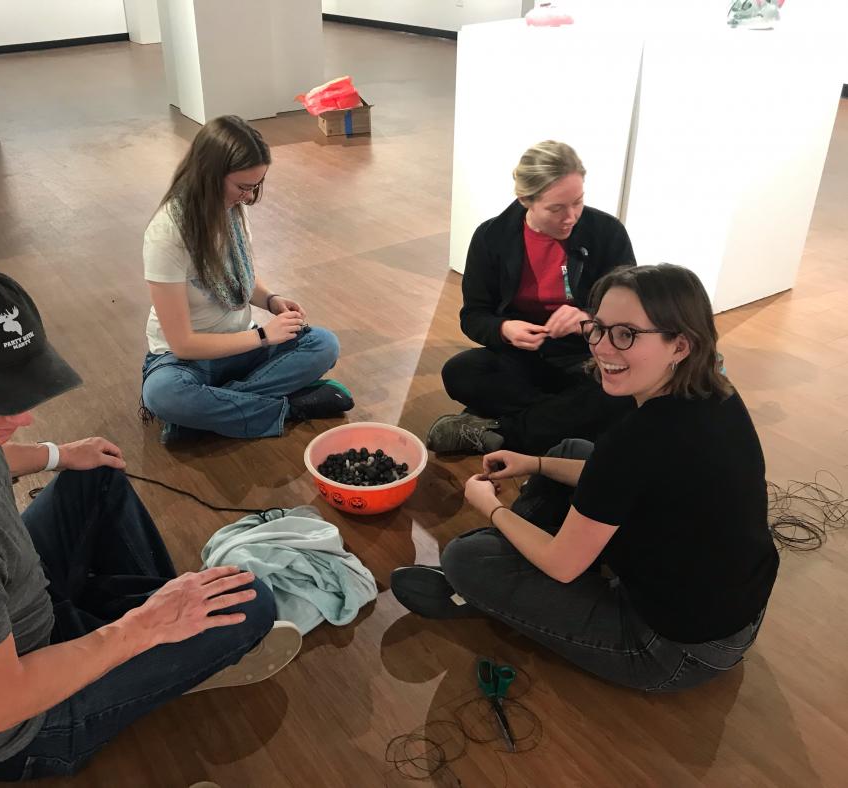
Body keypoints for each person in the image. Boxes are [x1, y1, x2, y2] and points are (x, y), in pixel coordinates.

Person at [0, 265, 302, 781]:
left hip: (11, 608)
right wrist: (141, 628)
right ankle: (162, 641)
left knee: (95, 474)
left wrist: (56, 454)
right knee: (251, 602)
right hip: (13, 728)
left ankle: (157, 632)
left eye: (25, 389)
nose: (22, 417)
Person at [393, 264, 779, 692]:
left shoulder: (637, 440)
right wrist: (533, 463)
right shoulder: (716, 392)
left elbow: (563, 564)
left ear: (680, 345)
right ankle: (523, 560)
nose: (603, 348)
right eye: (598, 328)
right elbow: (628, 478)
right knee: (570, 452)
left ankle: (489, 585)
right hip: (733, 607)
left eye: (627, 334)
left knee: (466, 557)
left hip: (674, 650)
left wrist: (491, 507)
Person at [140, 115, 353, 444]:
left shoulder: (233, 212)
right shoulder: (167, 233)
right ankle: (287, 407)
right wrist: (265, 336)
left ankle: (209, 415)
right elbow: (182, 343)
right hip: (184, 360)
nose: (249, 197)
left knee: (324, 344)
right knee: (164, 394)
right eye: (243, 187)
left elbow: (239, 278)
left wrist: (271, 300)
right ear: (209, 176)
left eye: (255, 186)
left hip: (238, 346)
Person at [427, 141, 637, 456]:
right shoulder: (491, 238)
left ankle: (500, 431)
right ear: (526, 200)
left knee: (624, 393)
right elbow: (473, 316)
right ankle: (562, 423)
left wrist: (589, 320)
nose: (571, 217)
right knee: (459, 372)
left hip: (587, 356)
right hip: (523, 355)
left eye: (578, 202)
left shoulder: (607, 232)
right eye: (556, 208)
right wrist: (504, 329)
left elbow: (633, 311)